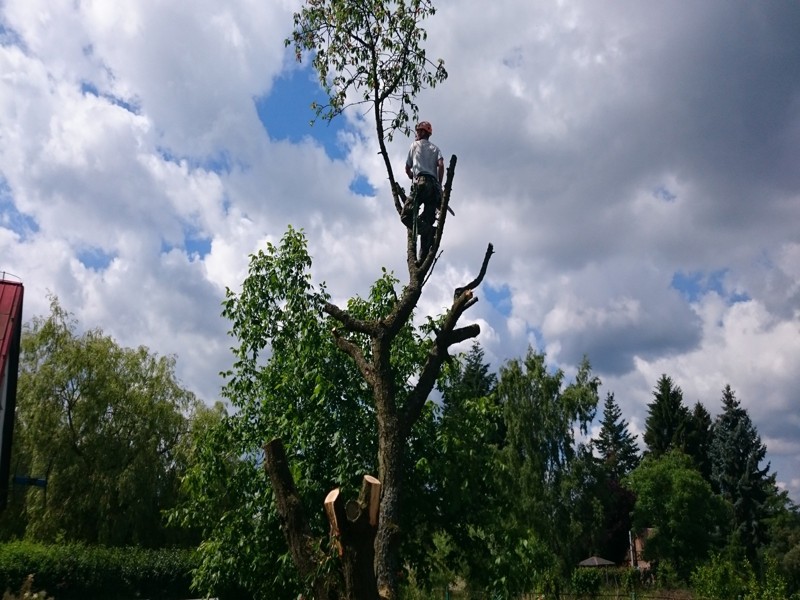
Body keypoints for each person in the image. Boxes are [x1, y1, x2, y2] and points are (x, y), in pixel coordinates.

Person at [405, 121, 444, 259]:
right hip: (433, 187)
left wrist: (412, 177)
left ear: (423, 132)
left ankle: (427, 231)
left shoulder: (414, 145)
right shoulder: (436, 148)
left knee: (406, 215)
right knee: (427, 219)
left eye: (418, 131)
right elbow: (440, 165)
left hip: (421, 184)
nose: (416, 133)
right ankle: (423, 255)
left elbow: (407, 168)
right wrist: (440, 185)